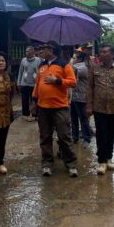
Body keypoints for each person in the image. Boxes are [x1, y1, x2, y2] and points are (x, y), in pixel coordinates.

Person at [31, 41, 78, 177]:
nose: (41, 51)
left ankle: (71, 164)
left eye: (44, 49)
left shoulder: (64, 65)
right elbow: (37, 84)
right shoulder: (42, 65)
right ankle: (47, 164)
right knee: (45, 136)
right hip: (43, 107)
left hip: (60, 107)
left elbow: (73, 82)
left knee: (64, 136)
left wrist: (57, 81)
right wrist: (34, 101)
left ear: (51, 50)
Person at [86, 44, 114, 175]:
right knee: (101, 134)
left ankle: (109, 158)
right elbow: (89, 88)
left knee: (111, 134)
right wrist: (88, 105)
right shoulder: (94, 69)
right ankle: (101, 161)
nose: (102, 54)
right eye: (101, 52)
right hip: (99, 108)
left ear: (112, 54)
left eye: (105, 52)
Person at [70, 51, 92, 144]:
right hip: (74, 97)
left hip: (81, 97)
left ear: (80, 59)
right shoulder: (75, 66)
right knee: (73, 118)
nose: (73, 60)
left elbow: (72, 71)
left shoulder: (83, 68)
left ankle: (86, 138)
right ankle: (75, 136)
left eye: (74, 58)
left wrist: (66, 62)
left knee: (83, 119)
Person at [17, 46, 42, 121]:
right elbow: (21, 71)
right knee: (24, 100)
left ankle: (35, 114)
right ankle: (25, 114)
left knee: (34, 100)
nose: (27, 53)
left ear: (33, 52)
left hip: (34, 84)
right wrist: (18, 82)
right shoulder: (23, 60)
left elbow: (40, 72)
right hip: (24, 83)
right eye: (26, 51)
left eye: (29, 51)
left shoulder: (38, 60)